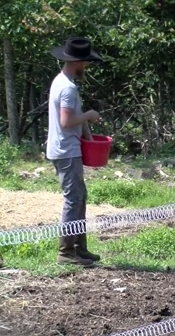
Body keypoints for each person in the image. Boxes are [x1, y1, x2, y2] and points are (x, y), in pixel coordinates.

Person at [47, 36, 104, 266]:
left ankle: (80, 247)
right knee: (73, 199)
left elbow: (72, 120)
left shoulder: (60, 81)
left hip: (67, 148)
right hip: (67, 151)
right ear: (78, 61)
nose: (87, 67)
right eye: (86, 63)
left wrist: (88, 134)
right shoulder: (68, 88)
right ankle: (66, 251)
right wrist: (89, 115)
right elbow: (66, 120)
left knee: (80, 197)